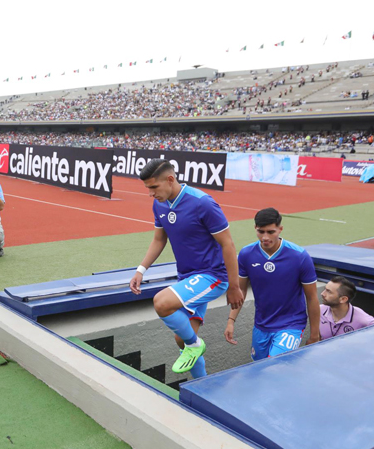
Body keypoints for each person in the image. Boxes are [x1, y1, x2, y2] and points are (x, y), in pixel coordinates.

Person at [129, 159, 243, 377]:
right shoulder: (159, 204)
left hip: (213, 276)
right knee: (181, 338)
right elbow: (159, 239)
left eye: (154, 187)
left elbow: (227, 243)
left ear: (170, 179)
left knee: (162, 303)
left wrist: (234, 285)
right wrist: (141, 270)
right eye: (147, 189)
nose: (151, 194)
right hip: (187, 277)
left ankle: (194, 345)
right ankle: (202, 385)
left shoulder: (202, 203)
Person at [225, 208, 320, 360]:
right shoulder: (246, 254)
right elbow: (239, 291)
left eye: (271, 232)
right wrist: (231, 321)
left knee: (274, 366)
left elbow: (312, 297)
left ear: (280, 229)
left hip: (291, 325)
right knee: (259, 369)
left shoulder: (299, 256)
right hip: (261, 326)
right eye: (260, 231)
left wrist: (315, 335)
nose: (265, 237)